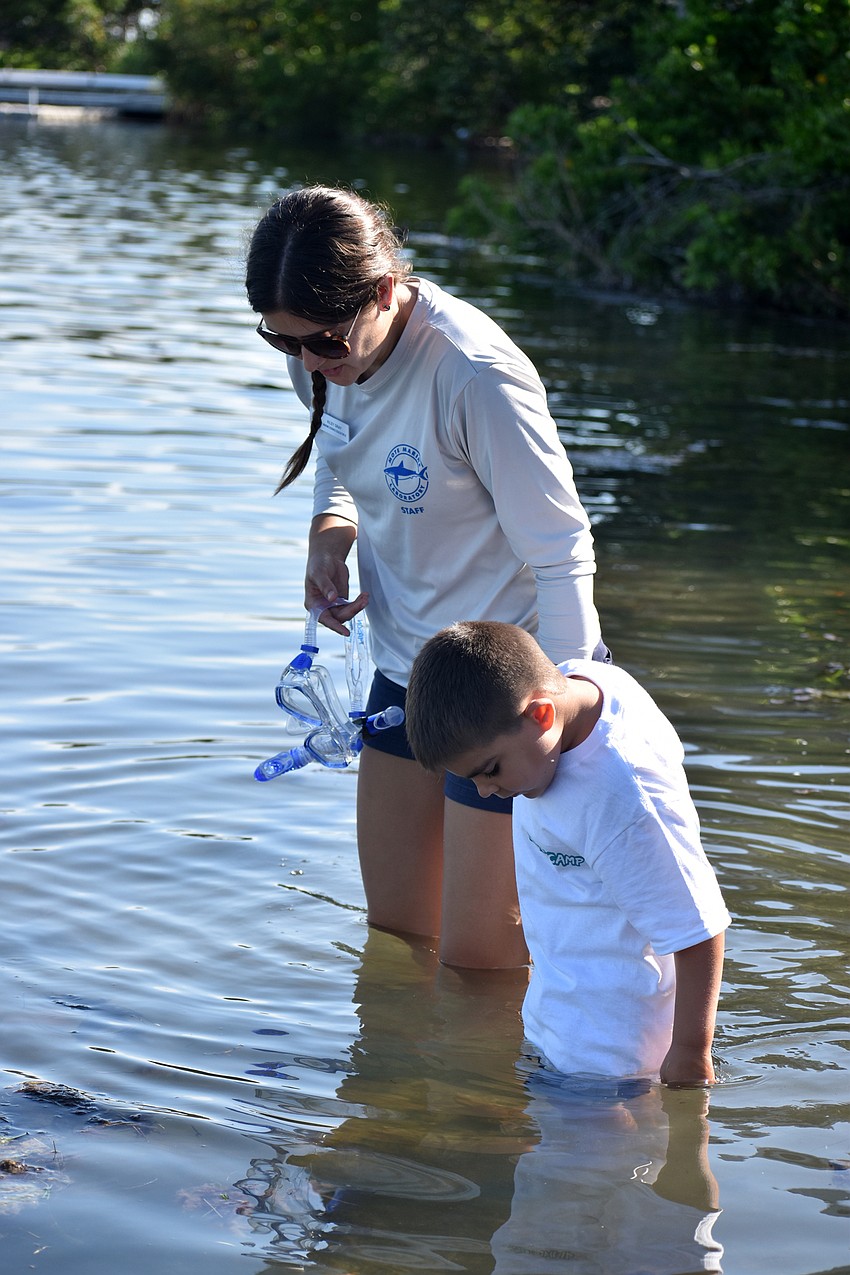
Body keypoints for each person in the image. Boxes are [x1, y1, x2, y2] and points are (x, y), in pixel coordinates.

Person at [246, 185, 606, 970]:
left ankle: (488, 1097)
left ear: (384, 291)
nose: (309, 363)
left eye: (325, 343)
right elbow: (338, 453)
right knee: (397, 939)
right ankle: (396, 1094)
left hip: (502, 694)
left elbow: (562, 550)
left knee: (481, 966)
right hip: (402, 668)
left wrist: (572, 721)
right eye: (284, 342)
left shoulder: (474, 375)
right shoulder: (321, 349)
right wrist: (329, 535)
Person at [405, 620, 731, 1085]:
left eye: (490, 770)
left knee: (583, 1158)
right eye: (470, 780)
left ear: (541, 715)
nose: (486, 791)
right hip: (559, 1024)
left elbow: (697, 927)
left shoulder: (622, 798)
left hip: (610, 1059)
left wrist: (690, 1056)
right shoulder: (580, 682)